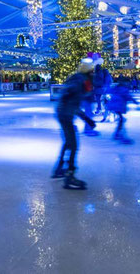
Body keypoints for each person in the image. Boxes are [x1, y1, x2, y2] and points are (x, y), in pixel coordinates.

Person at [52, 59, 96, 190]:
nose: (93, 74)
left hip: (64, 113)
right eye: (92, 71)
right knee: (74, 145)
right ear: (88, 71)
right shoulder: (80, 81)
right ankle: (69, 176)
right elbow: (73, 102)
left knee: (68, 142)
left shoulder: (78, 79)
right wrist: (87, 119)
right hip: (65, 115)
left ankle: (59, 169)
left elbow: (71, 101)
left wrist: (86, 119)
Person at [107, 76, 140, 144]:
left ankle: (117, 134)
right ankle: (120, 135)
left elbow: (108, 90)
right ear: (124, 82)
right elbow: (129, 97)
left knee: (121, 120)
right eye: (127, 82)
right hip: (118, 106)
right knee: (121, 120)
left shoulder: (117, 87)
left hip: (113, 106)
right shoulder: (124, 89)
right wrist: (136, 103)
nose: (128, 83)